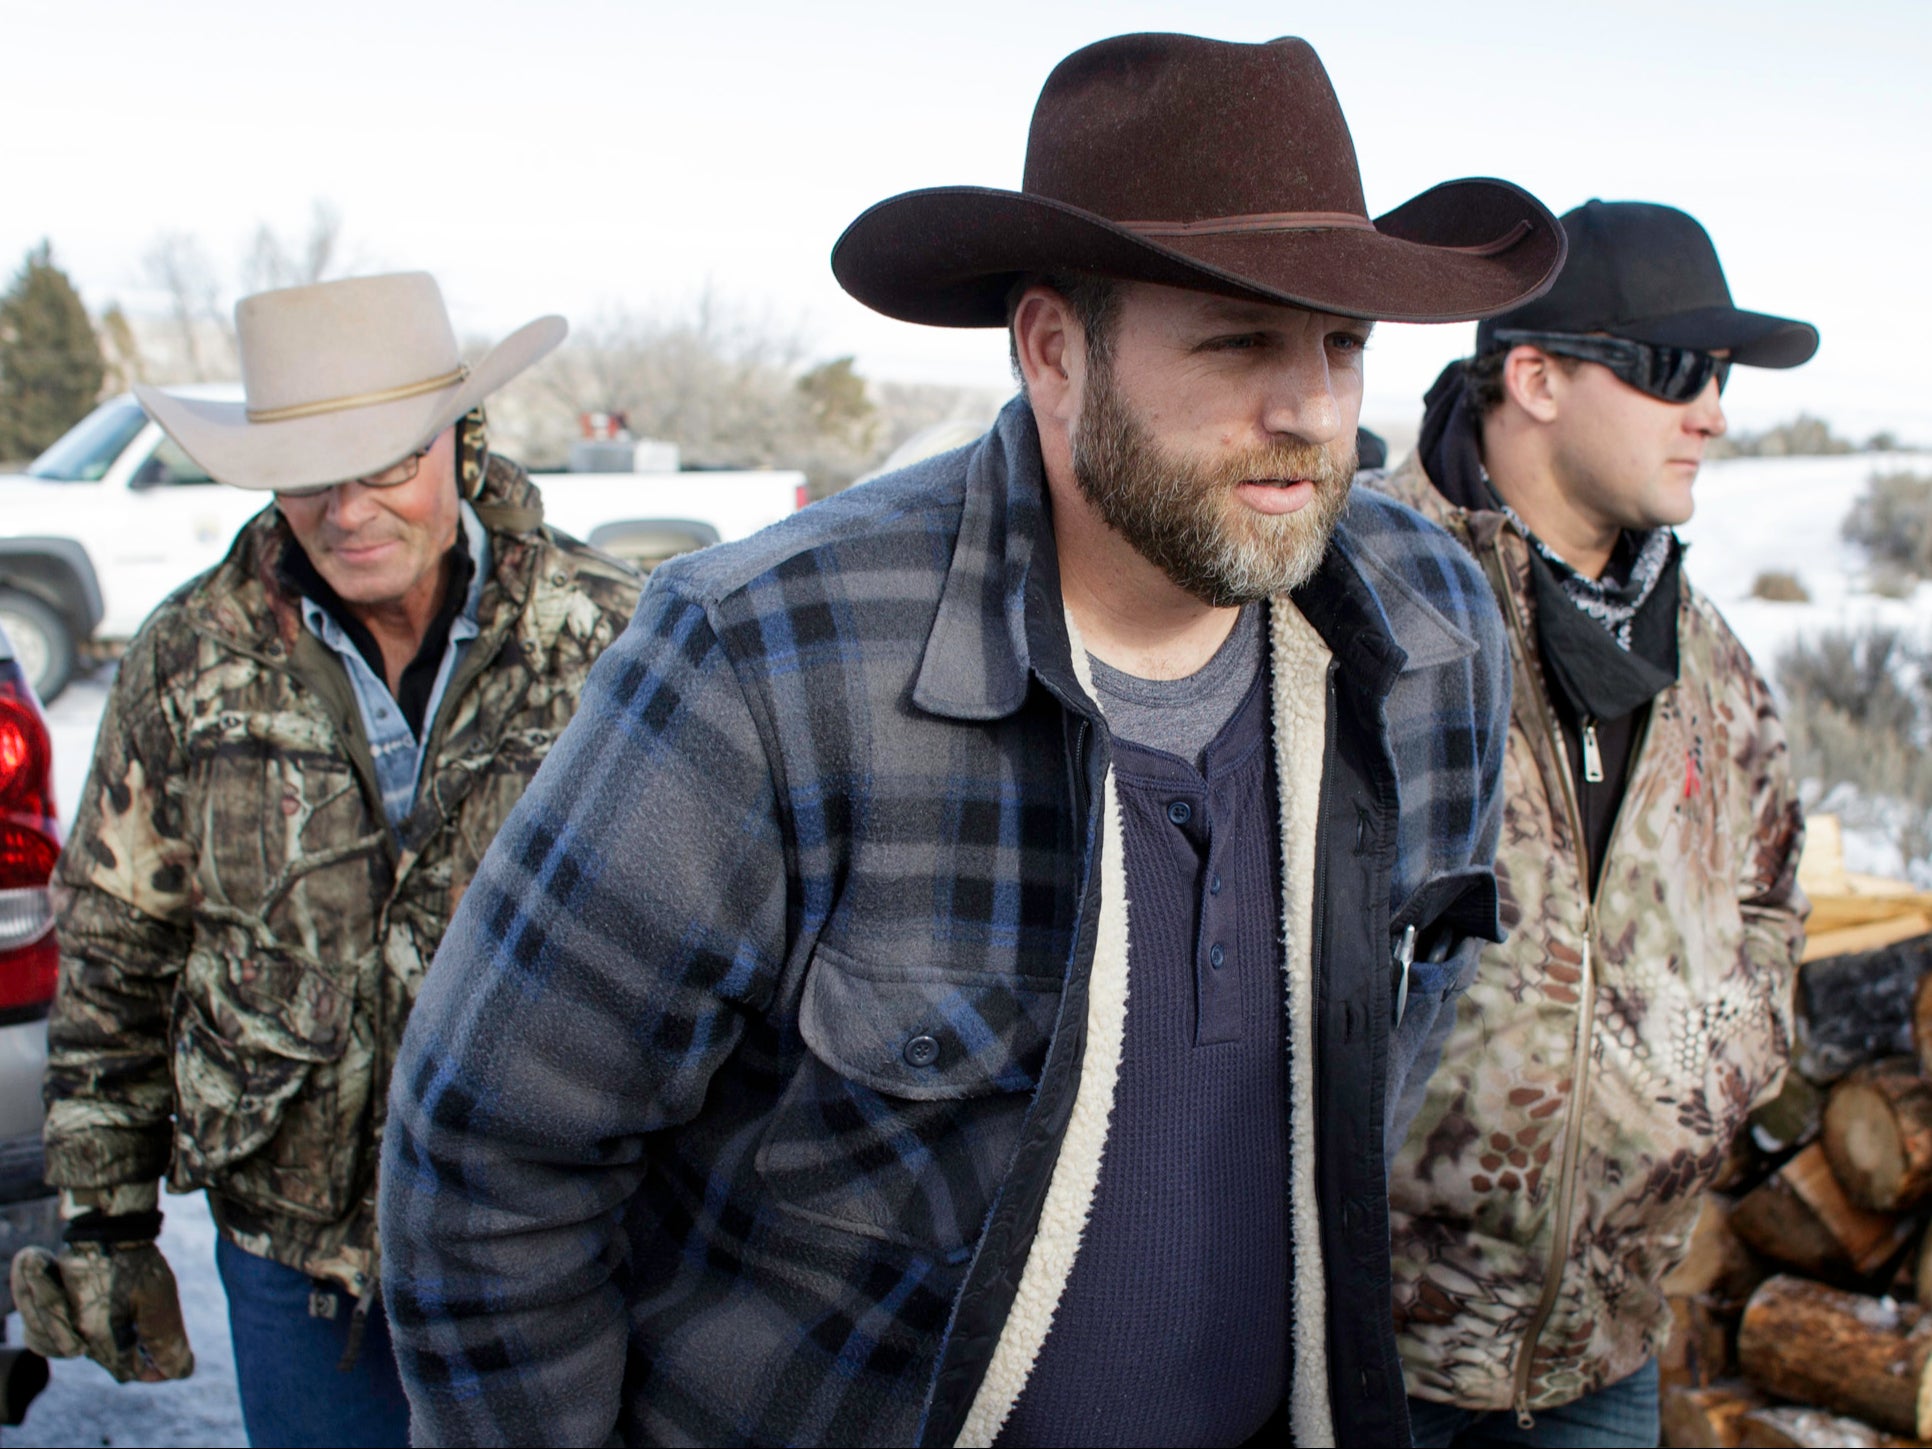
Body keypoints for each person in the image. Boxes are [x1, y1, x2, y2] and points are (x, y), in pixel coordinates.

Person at [380, 33, 1564, 1447]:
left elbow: (1403, 1040)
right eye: (1239, 338)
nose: (1311, 407)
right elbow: (491, 1167)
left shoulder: (1430, 632)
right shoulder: (769, 661)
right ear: (1055, 351)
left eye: (1343, 344)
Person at [11, 272, 643, 1448]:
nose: (347, 510)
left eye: (387, 465)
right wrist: (105, 1222)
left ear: (461, 444)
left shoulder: (617, 640)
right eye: (307, 474)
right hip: (293, 1260)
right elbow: (115, 953)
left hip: (561, 1241)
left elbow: (715, 948)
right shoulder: (187, 658)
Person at [1376, 201, 1816, 1447]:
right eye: (1676, 370)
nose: (1713, 413)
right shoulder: (1359, 596)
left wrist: (1717, 1077)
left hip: (1602, 1348)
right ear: (1536, 378)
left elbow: (1771, 899)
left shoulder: (1707, 657)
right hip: (1366, 1345)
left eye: (1722, 378)